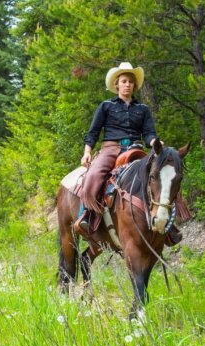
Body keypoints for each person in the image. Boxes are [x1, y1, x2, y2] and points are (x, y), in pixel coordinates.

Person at [75, 62, 187, 243]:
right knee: (93, 176)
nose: (127, 84)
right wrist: (87, 152)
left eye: (130, 82)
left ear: (135, 85)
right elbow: (93, 132)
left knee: (161, 176)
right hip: (110, 149)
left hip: (136, 149)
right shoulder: (106, 106)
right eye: (124, 81)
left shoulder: (142, 109)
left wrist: (154, 142)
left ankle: (167, 225)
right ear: (117, 84)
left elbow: (149, 133)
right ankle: (86, 216)